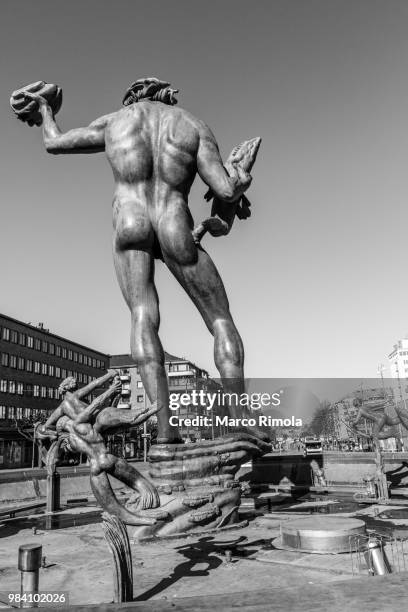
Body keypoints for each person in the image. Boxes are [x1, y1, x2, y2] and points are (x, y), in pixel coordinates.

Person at [21, 77, 255, 445]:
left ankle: (165, 431)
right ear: (165, 95)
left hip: (129, 221)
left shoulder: (115, 121)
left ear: (132, 97)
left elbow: (54, 142)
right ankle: (241, 419)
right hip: (175, 220)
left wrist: (45, 110)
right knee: (221, 320)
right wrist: (241, 174)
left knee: (143, 317)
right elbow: (225, 189)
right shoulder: (192, 126)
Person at [38, 374, 165, 525]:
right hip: (106, 458)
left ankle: (145, 520)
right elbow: (95, 398)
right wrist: (111, 387)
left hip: (95, 468)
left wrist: (45, 432)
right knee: (141, 484)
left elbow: (47, 427)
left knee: (115, 509)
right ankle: (152, 409)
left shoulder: (73, 437)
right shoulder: (82, 422)